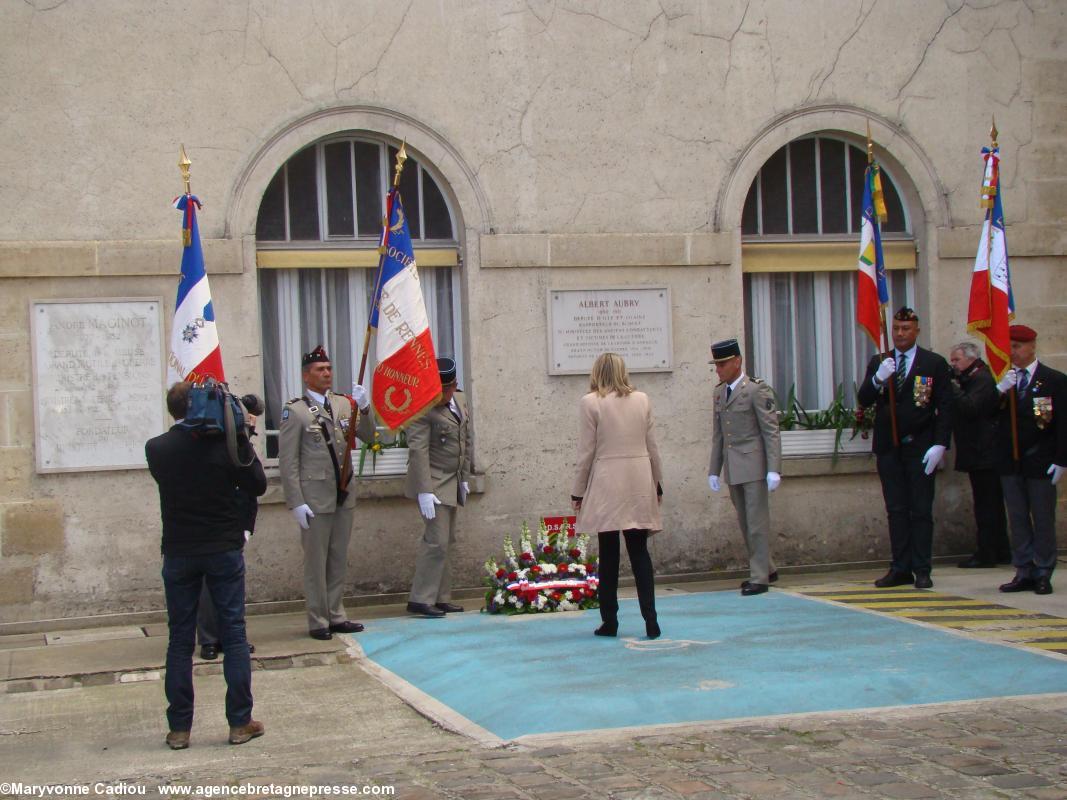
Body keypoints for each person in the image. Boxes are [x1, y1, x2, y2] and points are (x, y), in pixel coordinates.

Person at [145, 381, 267, 750]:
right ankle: (239, 722)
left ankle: (179, 728)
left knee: (180, 639)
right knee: (234, 634)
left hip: (179, 550)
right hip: (222, 548)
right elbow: (257, 484)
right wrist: (240, 436)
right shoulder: (224, 445)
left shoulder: (157, 448)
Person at [279, 345, 375, 640]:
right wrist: (296, 501)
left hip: (343, 493)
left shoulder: (344, 404)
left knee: (337, 558)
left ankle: (336, 614)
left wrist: (365, 408)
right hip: (315, 497)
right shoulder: (295, 411)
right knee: (316, 562)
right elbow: (288, 461)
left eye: (329, 368)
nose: (327, 373)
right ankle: (318, 619)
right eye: (320, 369)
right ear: (306, 376)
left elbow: (367, 435)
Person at [858, 307, 952, 589]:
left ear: (917, 331)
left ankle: (922, 568)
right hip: (889, 448)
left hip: (921, 447)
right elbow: (864, 398)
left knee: (920, 510)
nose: (900, 334)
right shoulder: (880, 361)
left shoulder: (933, 363)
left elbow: (945, 407)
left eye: (906, 329)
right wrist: (878, 378)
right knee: (896, 510)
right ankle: (900, 567)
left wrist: (940, 443)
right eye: (896, 328)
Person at [571, 352, 663, 639]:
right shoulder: (642, 399)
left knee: (608, 554)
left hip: (607, 482)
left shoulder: (590, 402)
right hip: (638, 480)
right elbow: (652, 446)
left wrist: (578, 490)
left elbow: (586, 452)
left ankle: (609, 620)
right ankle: (651, 620)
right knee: (639, 552)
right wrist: (658, 483)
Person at [993, 324, 1066, 595]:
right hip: (1011, 461)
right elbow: (985, 415)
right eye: (1010, 346)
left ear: (1032, 346)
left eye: (1018, 346)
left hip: (1041, 461)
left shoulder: (1053, 380)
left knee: (1043, 518)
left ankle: (1043, 570)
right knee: (1018, 518)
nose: (1013, 352)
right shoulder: (1005, 379)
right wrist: (999, 391)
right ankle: (1023, 569)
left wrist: (1062, 460)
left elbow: (1062, 424)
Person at [706, 338, 782, 596]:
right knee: (745, 522)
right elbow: (719, 435)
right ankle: (767, 568)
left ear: (737, 362)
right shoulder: (719, 393)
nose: (718, 370)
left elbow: (770, 431)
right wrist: (714, 470)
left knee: (756, 523)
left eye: (722, 364)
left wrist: (774, 468)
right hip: (733, 467)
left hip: (754, 465)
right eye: (716, 365)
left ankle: (759, 578)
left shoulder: (756, 390)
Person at [404, 357, 473, 618]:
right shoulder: (422, 407)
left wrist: (464, 476)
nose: (442, 395)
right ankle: (420, 598)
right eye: (438, 389)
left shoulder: (460, 400)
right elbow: (418, 450)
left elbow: (466, 439)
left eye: (446, 389)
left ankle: (441, 597)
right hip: (433, 480)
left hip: (452, 479)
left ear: (454, 385)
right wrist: (424, 490)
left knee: (447, 540)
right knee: (436, 541)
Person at [948, 341, 1010, 569]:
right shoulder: (971, 379)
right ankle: (1000, 550)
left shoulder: (981, 379)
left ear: (971, 359)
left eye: (957, 360)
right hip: (978, 452)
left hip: (985, 453)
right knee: (990, 504)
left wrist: (952, 388)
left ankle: (987, 552)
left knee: (987, 506)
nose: (953, 365)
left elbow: (971, 408)